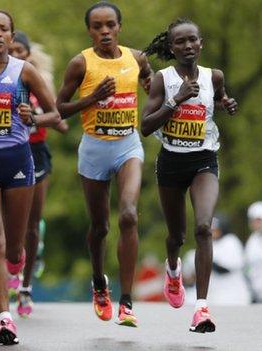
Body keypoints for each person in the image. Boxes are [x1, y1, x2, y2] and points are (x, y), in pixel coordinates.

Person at [0, 10, 60, 345]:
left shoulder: (24, 71)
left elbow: (54, 113)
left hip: (19, 160)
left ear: (12, 36)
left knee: (15, 249)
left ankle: (18, 264)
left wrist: (33, 116)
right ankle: (5, 317)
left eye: (4, 29)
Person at [56, 1, 152, 327]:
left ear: (119, 27)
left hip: (128, 145)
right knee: (100, 227)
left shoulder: (137, 58)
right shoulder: (80, 63)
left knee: (128, 214)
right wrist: (92, 98)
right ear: (90, 31)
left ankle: (126, 302)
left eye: (110, 25)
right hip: (94, 149)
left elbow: (153, 89)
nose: (105, 31)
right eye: (97, 26)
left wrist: (162, 92)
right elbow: (60, 109)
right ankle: (99, 282)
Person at [140, 18, 238, 333]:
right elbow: (145, 126)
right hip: (171, 163)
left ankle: (201, 309)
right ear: (172, 47)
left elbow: (218, 98)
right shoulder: (162, 80)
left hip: (204, 162)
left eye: (192, 40)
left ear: (201, 43)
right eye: (180, 42)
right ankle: (173, 269)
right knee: (176, 237)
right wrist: (176, 100)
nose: (187, 46)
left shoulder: (214, 76)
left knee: (203, 228)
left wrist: (226, 103)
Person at [9, 30, 69, 318]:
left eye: (21, 51)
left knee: (32, 223)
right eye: (12, 50)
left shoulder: (37, 82)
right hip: (3, 155)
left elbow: (56, 116)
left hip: (35, 153)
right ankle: (13, 262)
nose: (16, 56)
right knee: (9, 222)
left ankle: (26, 287)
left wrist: (35, 118)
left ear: (28, 54)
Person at [182, 215, 251, 305]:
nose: (212, 232)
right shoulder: (205, 244)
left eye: (215, 229)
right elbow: (189, 278)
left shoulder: (230, 241)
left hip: (231, 293)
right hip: (212, 293)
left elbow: (224, 269)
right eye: (210, 229)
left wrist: (203, 260)